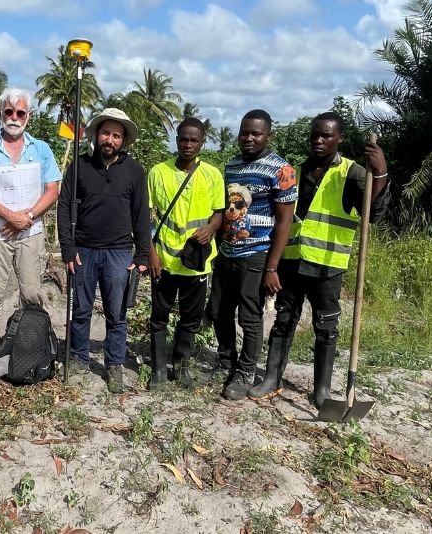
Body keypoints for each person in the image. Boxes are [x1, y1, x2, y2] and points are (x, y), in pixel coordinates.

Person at [249, 112, 389, 406]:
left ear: (340, 138)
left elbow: (372, 212)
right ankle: (272, 379)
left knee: (325, 328)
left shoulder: (351, 173)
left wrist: (380, 173)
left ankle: (322, 391)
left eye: (326, 135)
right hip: (292, 261)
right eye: (315, 134)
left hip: (327, 266)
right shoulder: (294, 172)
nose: (319, 140)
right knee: (283, 320)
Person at [0, 88, 62, 367]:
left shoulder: (41, 149)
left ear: (28, 116)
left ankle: (30, 347)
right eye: (9, 111)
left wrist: (27, 216)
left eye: (20, 112)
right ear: (0, 113)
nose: (14, 117)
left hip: (31, 231)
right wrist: (10, 216)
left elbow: (52, 190)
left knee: (31, 291)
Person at [57, 108, 149, 393]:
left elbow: (141, 214)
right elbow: (63, 207)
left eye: (116, 135)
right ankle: (79, 358)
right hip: (83, 250)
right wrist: (68, 249)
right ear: (97, 134)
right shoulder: (79, 165)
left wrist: (142, 255)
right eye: (106, 133)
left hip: (119, 253)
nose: (110, 140)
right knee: (80, 310)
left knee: (116, 314)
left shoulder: (135, 171)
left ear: (123, 140)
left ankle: (114, 364)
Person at [211, 109, 297, 401]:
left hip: (257, 253)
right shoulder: (233, 165)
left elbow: (284, 221)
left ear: (268, 135)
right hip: (227, 251)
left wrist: (272, 268)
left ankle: (246, 371)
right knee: (220, 310)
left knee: (249, 316)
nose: (248, 138)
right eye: (244, 132)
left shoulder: (281, 170)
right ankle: (226, 361)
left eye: (255, 133)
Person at [147, 118, 225, 389]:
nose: (188, 144)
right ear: (177, 139)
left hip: (197, 261)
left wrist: (211, 229)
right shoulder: (158, 172)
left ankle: (181, 368)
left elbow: (219, 212)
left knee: (190, 318)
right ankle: (158, 370)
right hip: (165, 260)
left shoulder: (212, 175)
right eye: (183, 139)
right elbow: (144, 216)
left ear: (202, 142)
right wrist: (151, 252)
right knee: (159, 316)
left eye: (194, 140)